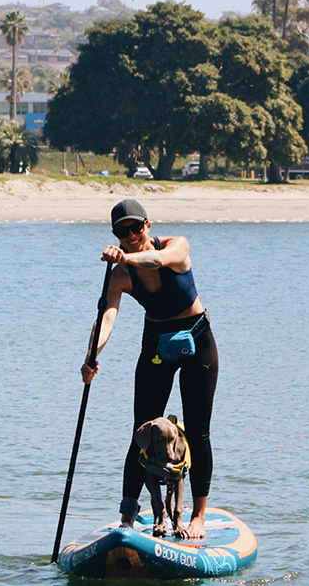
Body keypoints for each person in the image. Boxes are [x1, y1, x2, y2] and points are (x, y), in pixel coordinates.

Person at [81, 198, 219, 539]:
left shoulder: (176, 246)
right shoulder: (120, 275)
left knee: (198, 432)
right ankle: (128, 515)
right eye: (121, 231)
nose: (130, 235)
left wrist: (126, 256)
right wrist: (90, 357)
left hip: (197, 342)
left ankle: (197, 517)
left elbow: (158, 259)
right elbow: (107, 318)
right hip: (156, 344)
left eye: (135, 227)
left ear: (148, 225)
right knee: (140, 431)